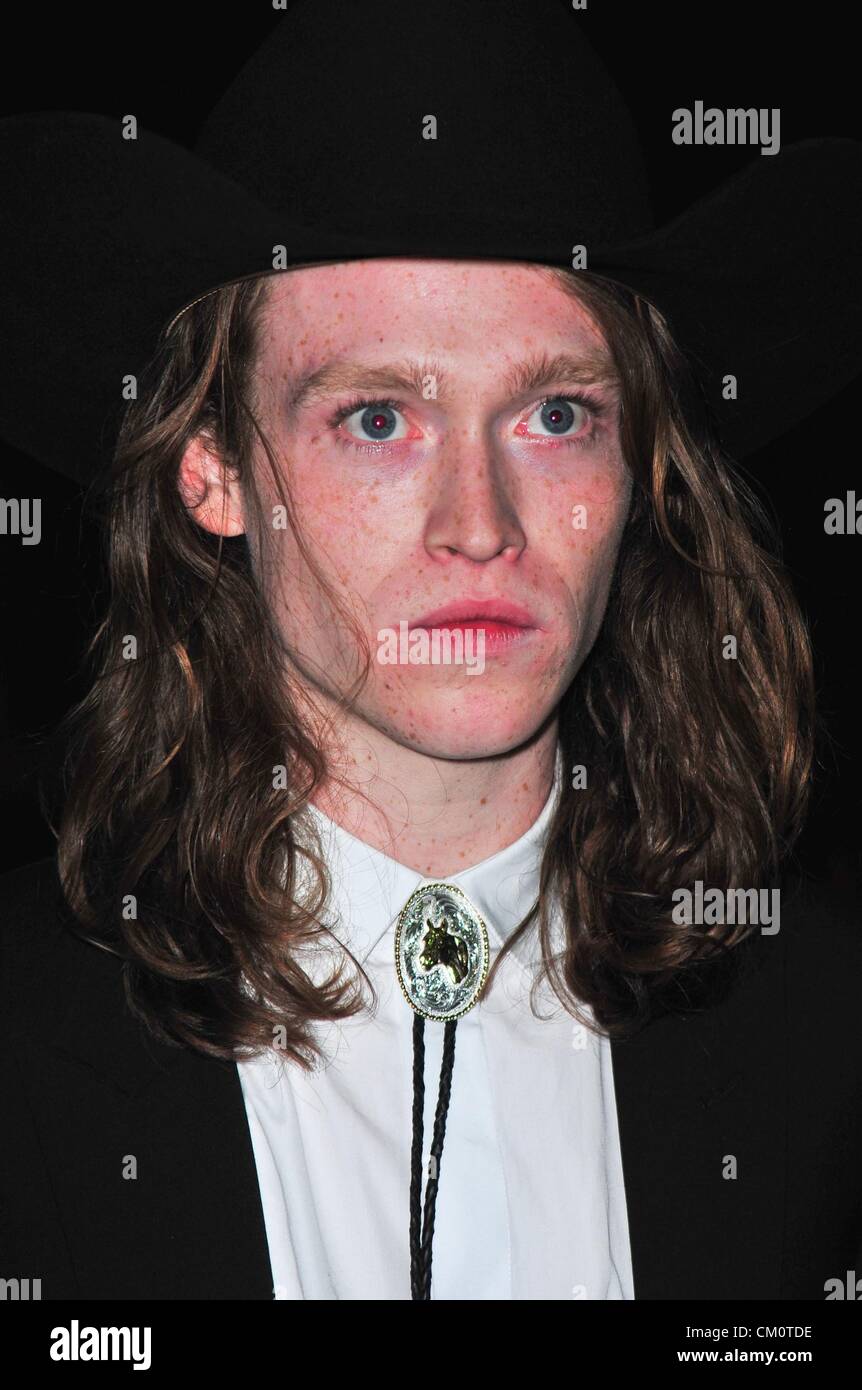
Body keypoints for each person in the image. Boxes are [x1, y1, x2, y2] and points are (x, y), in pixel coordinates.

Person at [0, 0, 860, 1302]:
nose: (480, 525)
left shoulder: (823, 1042)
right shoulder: (26, 1064)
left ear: (637, 471)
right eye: (377, 417)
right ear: (216, 470)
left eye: (556, 412)